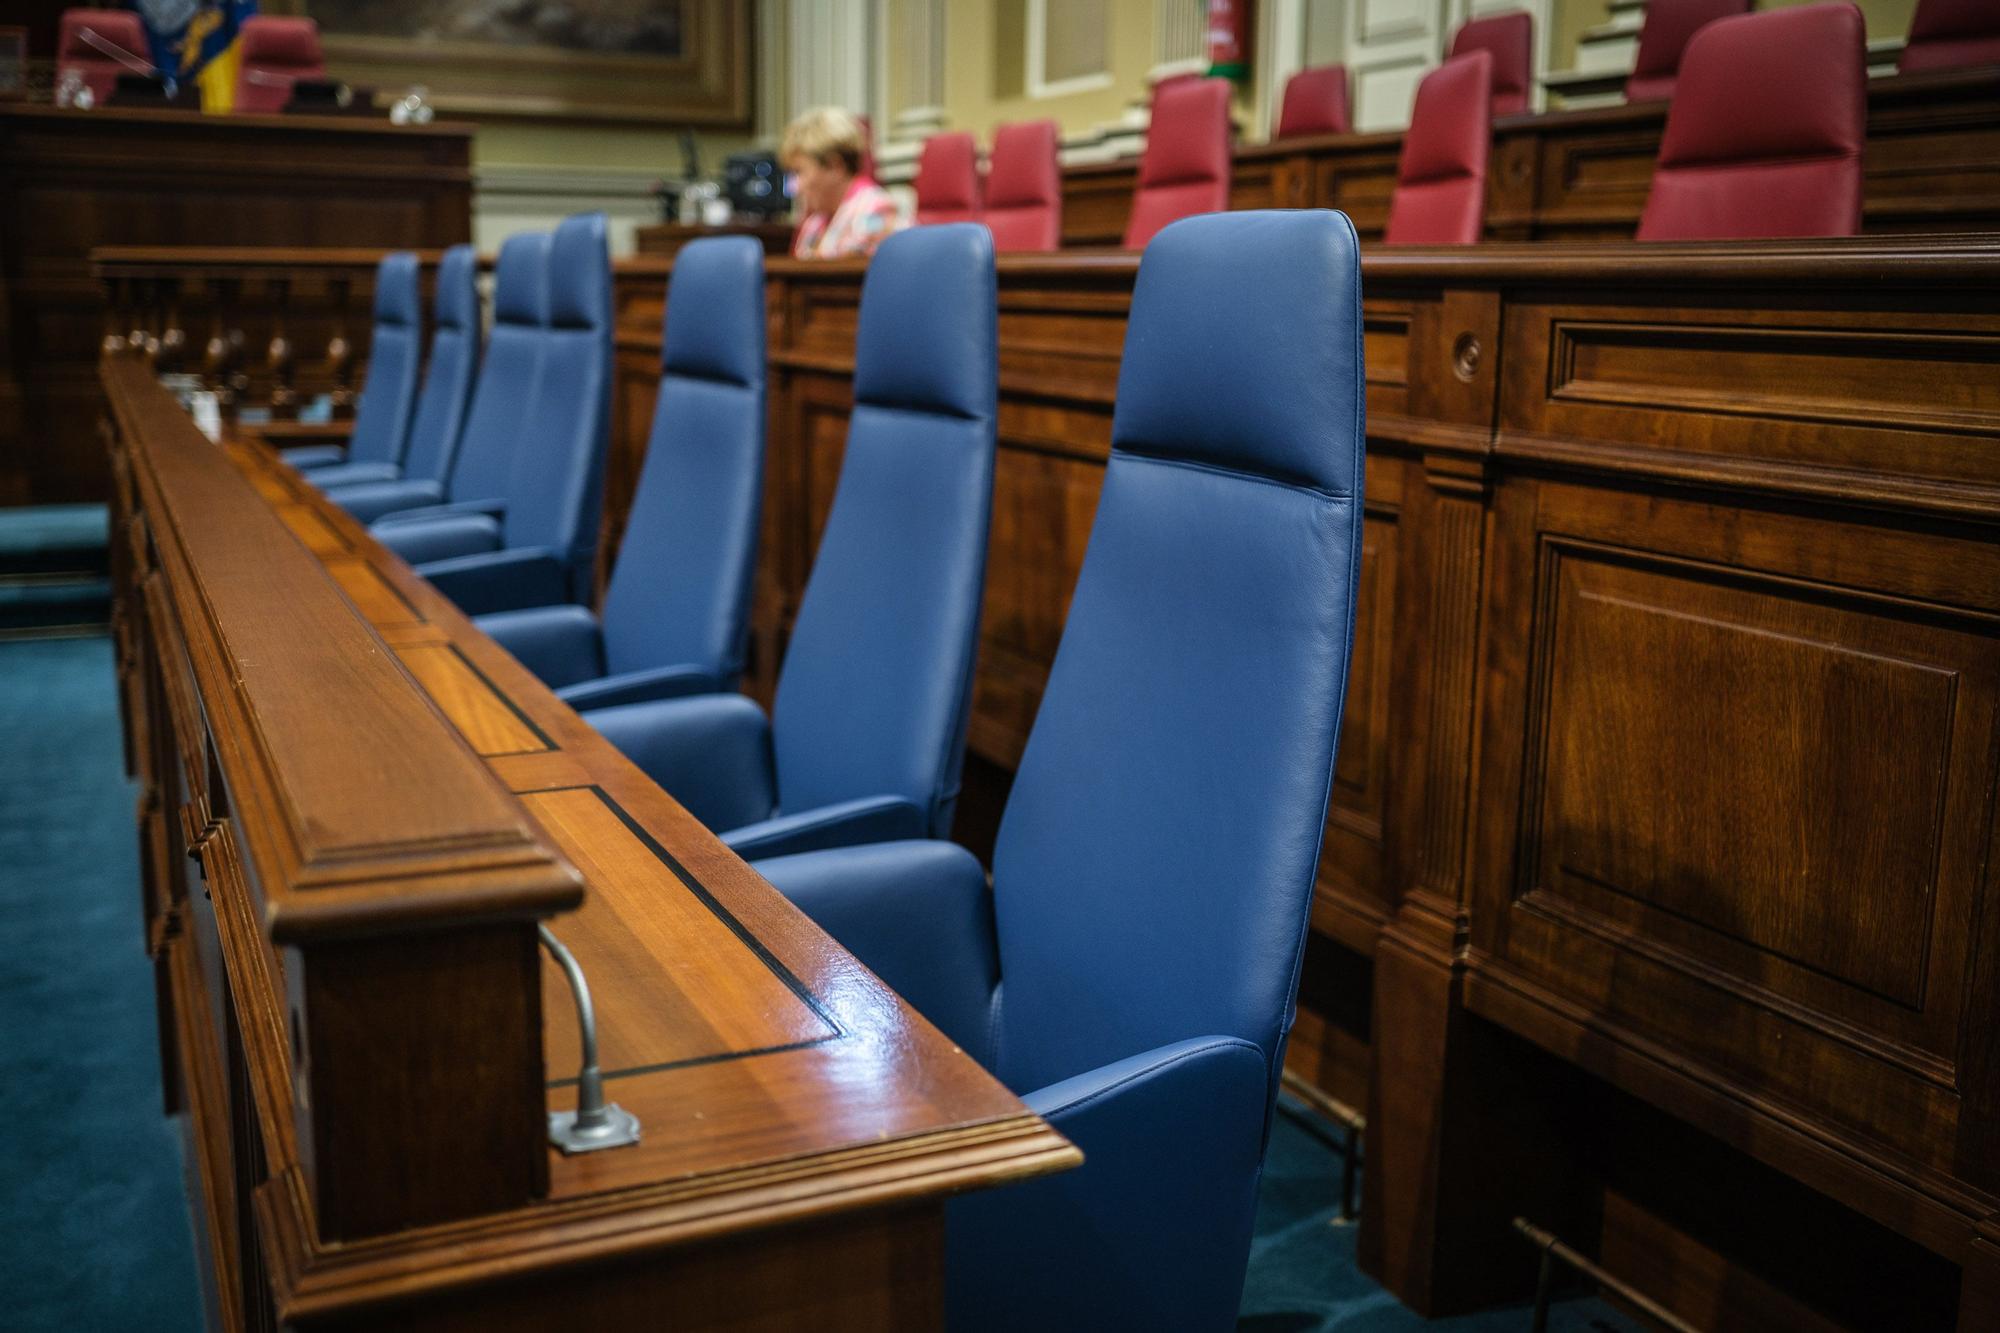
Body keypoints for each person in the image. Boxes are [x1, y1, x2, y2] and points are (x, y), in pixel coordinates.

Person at [782, 107, 903, 259]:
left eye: (799, 172)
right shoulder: (814, 223)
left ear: (835, 165)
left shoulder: (877, 210)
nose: (794, 187)